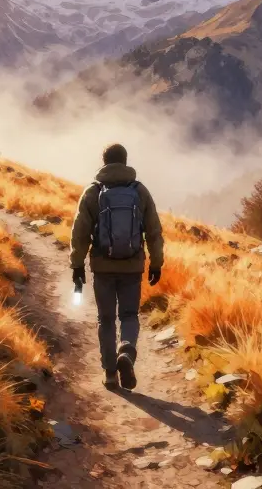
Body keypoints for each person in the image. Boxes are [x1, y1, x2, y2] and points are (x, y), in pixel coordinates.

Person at [70, 143, 164, 390]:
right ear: (125, 161)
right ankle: (127, 351)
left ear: (104, 162)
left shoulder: (94, 191)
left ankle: (110, 373)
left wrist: (77, 265)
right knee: (130, 315)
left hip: (103, 266)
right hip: (132, 266)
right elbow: (154, 231)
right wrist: (156, 263)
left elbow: (80, 232)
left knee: (106, 318)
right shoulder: (139, 190)